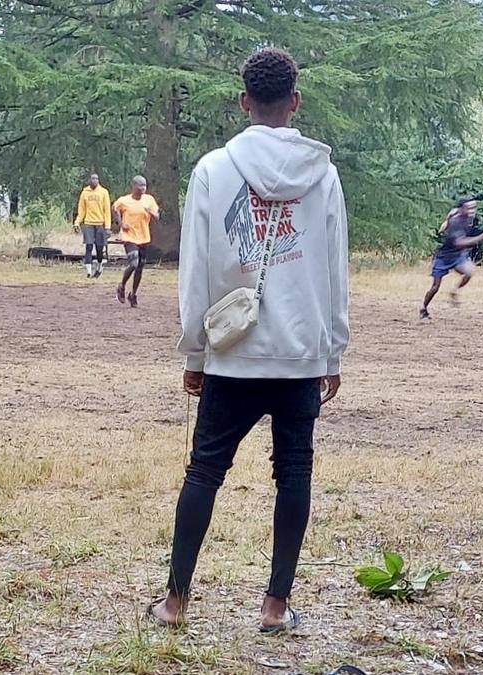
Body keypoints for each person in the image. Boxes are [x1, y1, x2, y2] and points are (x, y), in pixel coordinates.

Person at [150, 47, 349, 633]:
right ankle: (275, 606)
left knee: (204, 471)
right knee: (295, 472)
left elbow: (196, 269)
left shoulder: (214, 168)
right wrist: (332, 349)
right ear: (296, 101)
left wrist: (195, 349)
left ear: (243, 102)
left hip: (233, 351)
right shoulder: (324, 174)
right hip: (300, 351)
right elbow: (335, 266)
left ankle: (177, 601)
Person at [420, 196, 483, 320]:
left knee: (469, 272)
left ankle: (454, 291)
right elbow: (459, 242)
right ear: (461, 209)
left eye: (473, 207)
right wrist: (481, 237)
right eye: (469, 208)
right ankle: (423, 307)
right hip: (444, 257)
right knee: (435, 287)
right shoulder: (456, 221)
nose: (472, 210)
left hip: (457, 255)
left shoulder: (467, 218)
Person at [112, 176, 159, 307]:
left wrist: (151, 212)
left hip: (144, 237)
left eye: (145, 185)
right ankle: (121, 286)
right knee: (133, 264)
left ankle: (133, 294)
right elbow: (115, 208)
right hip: (129, 236)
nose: (143, 188)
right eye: (140, 185)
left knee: (140, 268)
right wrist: (121, 223)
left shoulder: (149, 200)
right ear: (134, 186)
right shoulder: (124, 200)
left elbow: (157, 216)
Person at [74, 174, 111, 278]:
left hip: (100, 224)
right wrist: (77, 222)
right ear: (89, 180)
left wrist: (107, 227)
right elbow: (81, 210)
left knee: (99, 248)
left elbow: (107, 210)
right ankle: (89, 271)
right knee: (89, 246)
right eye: (92, 179)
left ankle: (99, 267)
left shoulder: (103, 192)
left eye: (96, 179)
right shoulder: (85, 193)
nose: (94, 181)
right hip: (88, 223)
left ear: (98, 180)